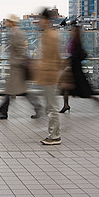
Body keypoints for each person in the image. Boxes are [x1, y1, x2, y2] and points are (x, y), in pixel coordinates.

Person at [0, 14, 43, 120]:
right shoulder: (14, 33)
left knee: (11, 91)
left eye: (8, 21)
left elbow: (20, 50)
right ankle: (37, 107)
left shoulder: (18, 33)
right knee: (19, 90)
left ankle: (3, 113)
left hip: (17, 67)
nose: (6, 22)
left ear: (12, 22)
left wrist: (17, 61)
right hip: (15, 67)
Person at [59, 26, 99, 113]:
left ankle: (98, 101)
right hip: (73, 68)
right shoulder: (74, 41)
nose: (71, 31)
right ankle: (66, 105)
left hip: (76, 70)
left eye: (73, 30)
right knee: (66, 87)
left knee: (83, 91)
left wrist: (69, 59)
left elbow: (76, 55)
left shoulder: (77, 42)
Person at [36, 9, 62, 145]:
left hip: (49, 75)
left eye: (41, 19)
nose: (39, 22)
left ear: (46, 20)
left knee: (52, 107)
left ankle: (55, 136)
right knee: (50, 107)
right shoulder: (48, 34)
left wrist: (50, 71)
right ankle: (54, 134)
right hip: (48, 74)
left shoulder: (50, 35)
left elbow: (53, 57)